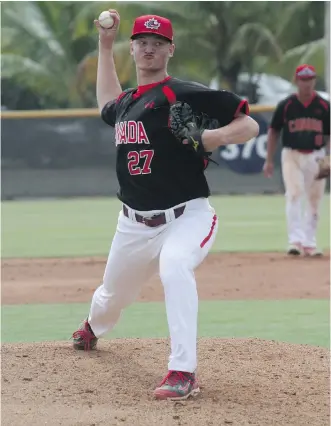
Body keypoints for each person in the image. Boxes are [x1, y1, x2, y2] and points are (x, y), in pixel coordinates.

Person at [72, 11, 259, 400]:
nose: (149, 48)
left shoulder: (183, 92)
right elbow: (107, 101)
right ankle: (93, 326)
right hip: (133, 224)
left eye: (158, 43)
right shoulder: (126, 104)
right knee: (112, 296)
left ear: (170, 50)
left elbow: (250, 125)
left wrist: (212, 137)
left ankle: (182, 371)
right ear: (134, 48)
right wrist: (105, 47)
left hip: (186, 214)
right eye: (142, 42)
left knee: (174, 266)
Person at [263, 64, 330, 257]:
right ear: (296, 80)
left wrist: (328, 156)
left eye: (310, 79)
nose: (307, 83)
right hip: (291, 155)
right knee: (293, 194)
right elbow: (274, 131)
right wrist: (269, 160)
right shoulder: (287, 105)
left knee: (315, 200)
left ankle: (309, 242)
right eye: (303, 79)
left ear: (314, 80)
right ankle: (295, 241)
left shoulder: (324, 106)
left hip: (316, 157)